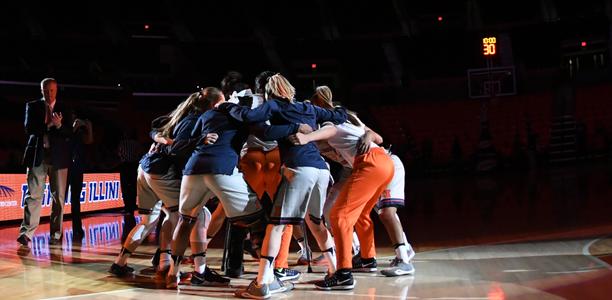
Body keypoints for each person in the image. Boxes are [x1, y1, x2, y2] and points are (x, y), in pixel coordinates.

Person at [218, 74, 347, 298]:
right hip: (321, 170)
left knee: (275, 225)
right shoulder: (308, 108)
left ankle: (262, 282)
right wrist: (316, 129)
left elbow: (250, 117)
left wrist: (229, 106)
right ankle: (337, 272)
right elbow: (340, 115)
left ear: (271, 91)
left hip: (300, 168)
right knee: (316, 223)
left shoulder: (274, 104)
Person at [287, 89, 396, 290]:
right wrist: (367, 135)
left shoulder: (331, 120)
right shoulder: (349, 117)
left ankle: (344, 273)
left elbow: (329, 132)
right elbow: (378, 138)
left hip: (370, 164)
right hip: (384, 162)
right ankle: (367, 258)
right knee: (362, 214)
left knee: (339, 215)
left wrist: (306, 136)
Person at [312, 86, 416, 276]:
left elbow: (377, 137)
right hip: (368, 164)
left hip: (382, 161)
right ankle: (366, 257)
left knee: (383, 212)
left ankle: (403, 255)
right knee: (360, 213)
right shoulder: (342, 125)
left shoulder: (339, 123)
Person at [19, 78, 72, 246]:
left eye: (52, 91)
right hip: (37, 156)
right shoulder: (32, 106)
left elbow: (69, 132)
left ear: (56, 91)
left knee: (59, 198)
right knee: (33, 195)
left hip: (59, 158)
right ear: (41, 90)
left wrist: (59, 126)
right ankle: (26, 233)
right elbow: (29, 128)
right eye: (46, 90)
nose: (49, 94)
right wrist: (50, 125)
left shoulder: (65, 108)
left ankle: (56, 234)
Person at [66, 108, 93, 240]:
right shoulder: (65, 130)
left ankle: (77, 228)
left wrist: (89, 127)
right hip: (65, 167)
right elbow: (65, 142)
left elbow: (89, 141)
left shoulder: (81, 132)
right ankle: (57, 230)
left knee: (76, 200)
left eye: (75, 117)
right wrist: (72, 128)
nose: (75, 120)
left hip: (77, 167)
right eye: (72, 117)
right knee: (60, 199)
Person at [117, 130, 142, 214]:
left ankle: (127, 206)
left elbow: (119, 154)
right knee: (133, 186)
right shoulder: (137, 143)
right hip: (134, 165)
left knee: (125, 187)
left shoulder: (122, 143)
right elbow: (139, 154)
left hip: (125, 166)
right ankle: (133, 204)